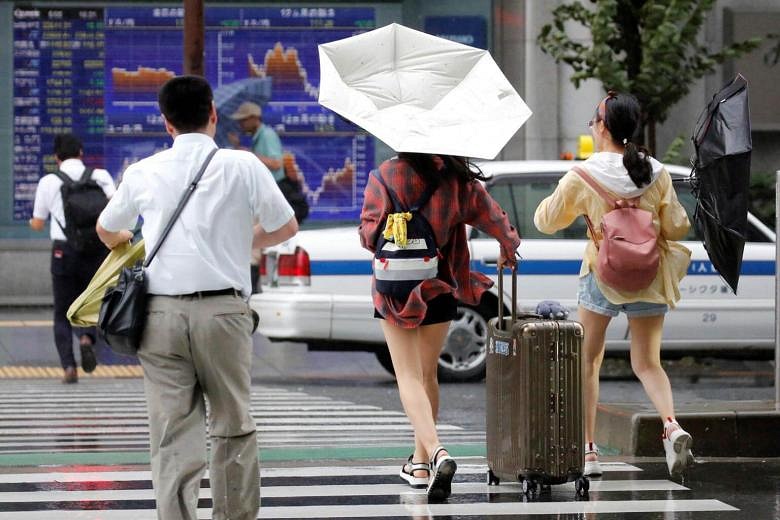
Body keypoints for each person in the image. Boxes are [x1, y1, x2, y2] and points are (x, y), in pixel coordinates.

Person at [96, 75, 298, 520]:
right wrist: (246, 243)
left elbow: (106, 228)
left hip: (160, 317)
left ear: (166, 124)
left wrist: (131, 241)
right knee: (232, 423)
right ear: (213, 113)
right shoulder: (243, 166)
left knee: (172, 430)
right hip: (225, 312)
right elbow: (286, 226)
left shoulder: (143, 172)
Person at [533, 91, 694, 477]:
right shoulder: (655, 172)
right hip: (649, 275)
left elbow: (545, 221)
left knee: (588, 362)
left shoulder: (584, 175)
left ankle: (589, 451)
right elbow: (677, 226)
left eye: (593, 120)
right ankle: (671, 426)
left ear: (603, 127)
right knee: (648, 363)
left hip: (601, 278)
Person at [359, 153, 520, 501]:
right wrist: (508, 245)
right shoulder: (457, 178)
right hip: (440, 282)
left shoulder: (384, 175)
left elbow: (369, 235)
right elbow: (494, 217)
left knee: (408, 376)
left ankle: (435, 451)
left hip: (396, 289)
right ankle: (419, 465)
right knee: (428, 375)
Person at [29, 133, 115, 383]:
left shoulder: (49, 181)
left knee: (62, 311)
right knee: (88, 303)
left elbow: (37, 222)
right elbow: (115, 208)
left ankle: (68, 367)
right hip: (96, 251)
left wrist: (34, 222)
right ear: (81, 153)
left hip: (63, 251)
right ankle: (87, 337)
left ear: (56, 157)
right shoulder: (100, 176)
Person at [228, 101, 284, 181]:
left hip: (275, 187)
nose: (240, 124)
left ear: (255, 118)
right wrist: (237, 146)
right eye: (239, 121)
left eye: (243, 120)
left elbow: (276, 164)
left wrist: (249, 155)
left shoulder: (267, 135)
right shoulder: (258, 136)